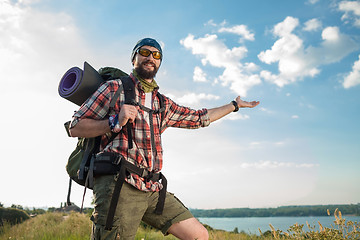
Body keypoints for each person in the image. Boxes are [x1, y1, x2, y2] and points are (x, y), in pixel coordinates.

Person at [69, 38, 259, 240]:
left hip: (152, 187)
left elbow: (199, 118)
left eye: (156, 54)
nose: (150, 57)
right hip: (120, 184)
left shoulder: (163, 103)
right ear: (134, 57)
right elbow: (75, 127)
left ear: (159, 62)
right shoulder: (114, 88)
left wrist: (234, 106)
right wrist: (114, 120)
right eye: (144, 52)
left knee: (199, 235)